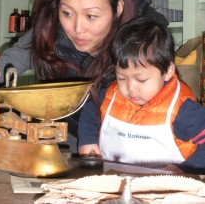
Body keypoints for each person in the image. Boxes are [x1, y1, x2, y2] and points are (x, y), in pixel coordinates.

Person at [0, 0, 167, 152]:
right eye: (67, 13)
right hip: (67, 138)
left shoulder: (146, 42)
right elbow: (6, 67)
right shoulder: (48, 29)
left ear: (118, 9)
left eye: (91, 16)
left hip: (131, 142)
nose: (77, 29)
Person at [78, 17, 205, 173]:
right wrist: (87, 141)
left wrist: (185, 170)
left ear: (167, 71)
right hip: (112, 184)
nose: (131, 88)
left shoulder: (184, 110)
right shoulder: (108, 95)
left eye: (141, 79)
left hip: (168, 191)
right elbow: (90, 110)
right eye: (121, 78)